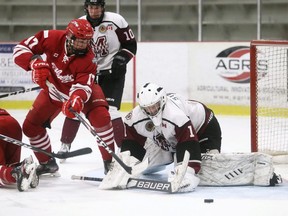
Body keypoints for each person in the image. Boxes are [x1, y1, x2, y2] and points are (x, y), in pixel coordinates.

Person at [13, 18, 116, 175]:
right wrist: (34, 62)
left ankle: (110, 163)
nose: (83, 45)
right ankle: (47, 163)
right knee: (30, 127)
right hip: (54, 89)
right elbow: (21, 48)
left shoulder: (90, 57)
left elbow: (83, 86)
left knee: (101, 117)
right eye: (80, 41)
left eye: (86, 41)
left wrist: (76, 98)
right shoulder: (51, 38)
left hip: (83, 92)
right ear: (69, 37)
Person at [58, 0, 137, 167]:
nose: (94, 11)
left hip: (112, 74)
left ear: (103, 8)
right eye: (91, 7)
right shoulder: (79, 24)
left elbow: (130, 44)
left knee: (112, 112)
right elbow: (70, 49)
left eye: (98, 7)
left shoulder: (116, 20)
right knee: (75, 106)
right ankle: (65, 144)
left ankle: (124, 150)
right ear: (86, 8)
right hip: (88, 74)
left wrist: (122, 58)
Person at [100, 82, 217, 193]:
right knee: (144, 166)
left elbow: (188, 142)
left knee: (201, 171)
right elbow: (132, 142)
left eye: (154, 106)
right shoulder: (135, 118)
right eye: (147, 108)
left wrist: (188, 172)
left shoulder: (175, 116)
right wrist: (124, 168)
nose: (151, 111)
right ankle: (171, 154)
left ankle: (204, 153)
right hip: (172, 138)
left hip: (203, 128)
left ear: (162, 100)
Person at [0, 108, 39, 192]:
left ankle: (16, 173)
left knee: (4, 173)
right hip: (12, 123)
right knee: (8, 165)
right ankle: (24, 168)